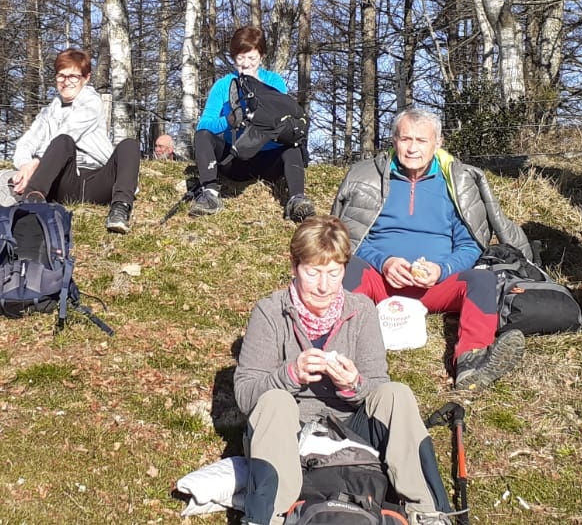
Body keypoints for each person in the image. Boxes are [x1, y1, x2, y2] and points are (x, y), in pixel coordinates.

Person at [234, 216, 454, 525]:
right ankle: (267, 517)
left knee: (396, 394)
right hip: (289, 431)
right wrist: (290, 375)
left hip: (351, 426)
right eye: (313, 272)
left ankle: (429, 512)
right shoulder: (270, 312)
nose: (323, 286)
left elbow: (377, 386)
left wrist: (353, 384)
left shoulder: (361, 309)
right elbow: (246, 396)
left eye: (334, 273)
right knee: (276, 400)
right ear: (294, 266)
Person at [334, 108, 532, 391]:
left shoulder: (456, 184)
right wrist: (384, 262)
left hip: (435, 286)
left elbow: (470, 245)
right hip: (378, 281)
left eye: (421, 140)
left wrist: (442, 269)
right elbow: (345, 239)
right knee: (347, 267)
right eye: (405, 139)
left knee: (481, 279)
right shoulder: (366, 176)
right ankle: (337, 351)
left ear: (438, 143)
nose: (412, 148)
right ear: (394, 140)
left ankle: (472, 362)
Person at [190, 26, 314, 222]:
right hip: (235, 158)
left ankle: (296, 199)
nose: (246, 64)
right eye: (240, 58)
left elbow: (284, 119)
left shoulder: (274, 82)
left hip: (268, 159)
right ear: (233, 58)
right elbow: (203, 125)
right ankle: (210, 194)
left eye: (251, 58)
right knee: (202, 136)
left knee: (292, 145)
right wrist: (229, 121)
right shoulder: (223, 85)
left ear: (261, 57)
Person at [11, 48, 141, 234]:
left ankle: (120, 207)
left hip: (98, 179)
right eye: (61, 76)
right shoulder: (48, 111)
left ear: (86, 78)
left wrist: (36, 162)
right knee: (62, 142)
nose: (66, 82)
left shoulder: (91, 103)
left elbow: (69, 131)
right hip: (65, 182)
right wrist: (25, 165)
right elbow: (25, 143)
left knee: (129, 145)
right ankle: (31, 203)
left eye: (73, 76)